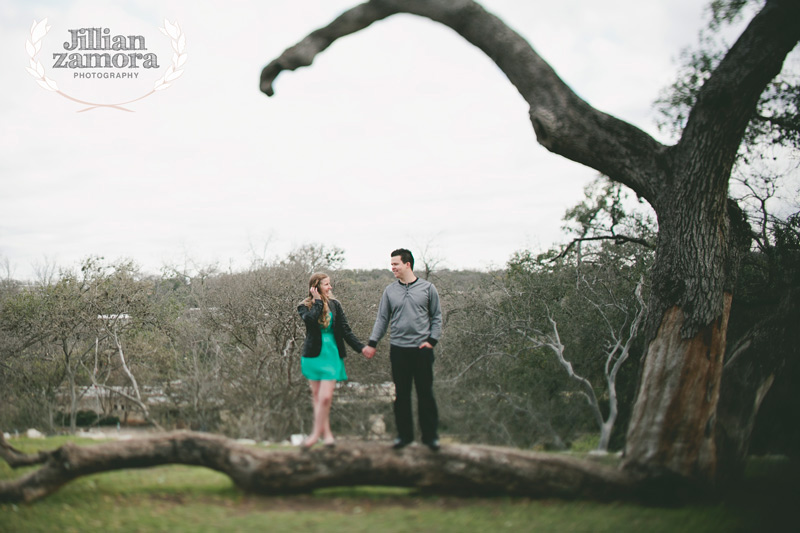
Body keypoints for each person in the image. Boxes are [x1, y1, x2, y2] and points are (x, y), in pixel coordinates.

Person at [363, 249, 443, 451]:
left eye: (395, 264)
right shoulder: (390, 291)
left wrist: (432, 341)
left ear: (408, 264)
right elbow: (382, 319)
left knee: (425, 394)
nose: (393, 268)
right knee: (402, 395)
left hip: (422, 349)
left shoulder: (428, 288)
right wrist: (372, 343)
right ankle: (404, 437)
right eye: (391, 265)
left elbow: (436, 317)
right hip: (399, 349)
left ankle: (430, 438)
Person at [298, 273, 368, 448]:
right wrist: (318, 301)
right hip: (313, 355)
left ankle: (315, 434)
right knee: (317, 398)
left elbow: (345, 330)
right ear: (315, 287)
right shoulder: (304, 306)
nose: (330, 287)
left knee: (325, 398)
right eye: (327, 284)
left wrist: (361, 348)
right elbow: (310, 320)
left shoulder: (336, 305)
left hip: (332, 355)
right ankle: (327, 434)